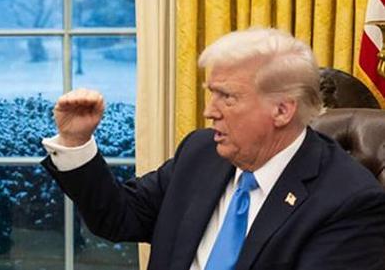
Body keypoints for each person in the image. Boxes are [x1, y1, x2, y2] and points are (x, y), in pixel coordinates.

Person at [42, 27, 385, 270]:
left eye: (227, 97)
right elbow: (120, 218)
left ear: (282, 110)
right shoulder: (202, 151)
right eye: (211, 93)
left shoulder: (350, 201)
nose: (209, 111)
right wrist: (76, 142)